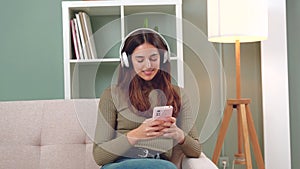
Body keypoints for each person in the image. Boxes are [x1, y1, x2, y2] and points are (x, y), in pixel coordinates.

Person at [93, 28, 202, 169]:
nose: (148, 65)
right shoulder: (111, 95)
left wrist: (179, 135)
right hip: (121, 163)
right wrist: (137, 134)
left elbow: (196, 150)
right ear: (127, 61)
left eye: (153, 58)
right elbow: (99, 156)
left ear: (163, 58)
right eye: (140, 60)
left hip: (159, 164)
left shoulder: (178, 95)